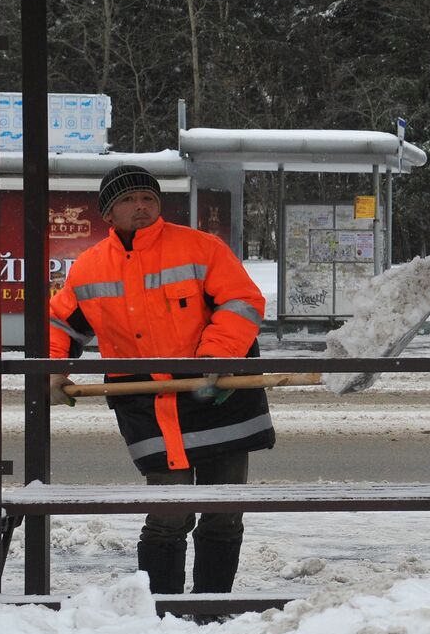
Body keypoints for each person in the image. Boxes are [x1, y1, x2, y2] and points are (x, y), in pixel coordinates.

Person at [47, 164, 274, 596]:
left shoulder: (200, 248)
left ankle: (211, 607)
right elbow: (59, 323)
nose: (141, 207)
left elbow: (242, 302)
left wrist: (217, 356)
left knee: (223, 512)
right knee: (169, 514)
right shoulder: (90, 269)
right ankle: (162, 612)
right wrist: (54, 367)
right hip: (148, 405)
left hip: (218, 395)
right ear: (108, 214)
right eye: (129, 200)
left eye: (148, 198)